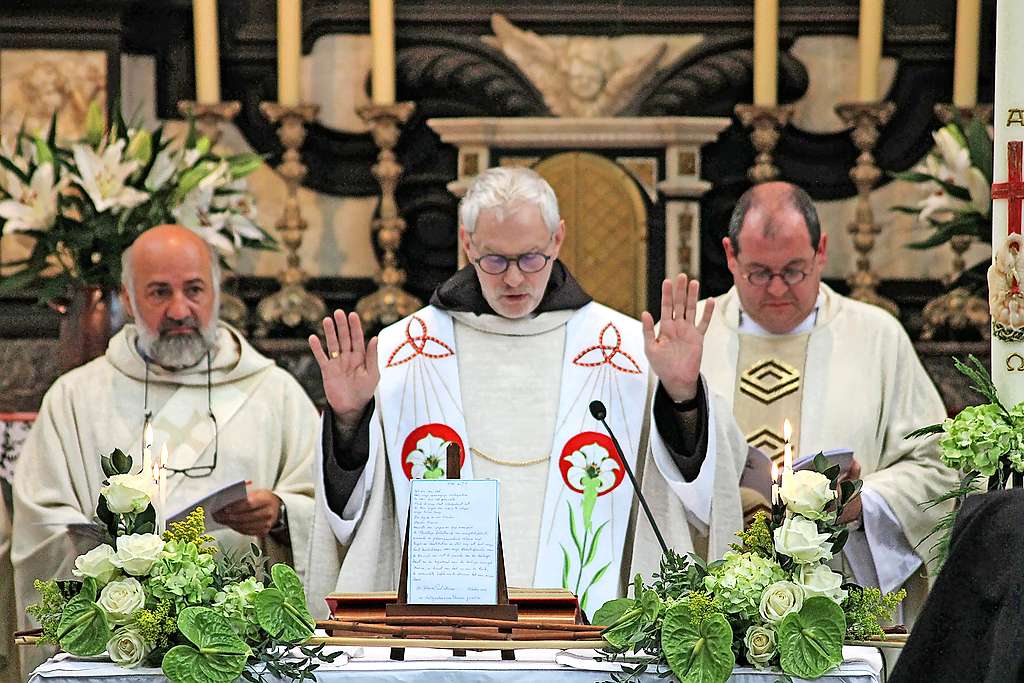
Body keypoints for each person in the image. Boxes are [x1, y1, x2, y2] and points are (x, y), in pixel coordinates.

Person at [303, 167, 749, 617]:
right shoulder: (401, 354)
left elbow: (698, 491)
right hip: (443, 638)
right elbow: (355, 513)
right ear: (467, 243)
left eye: (531, 258)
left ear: (558, 239)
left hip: (591, 639)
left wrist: (681, 393)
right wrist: (348, 419)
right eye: (495, 260)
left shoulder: (629, 350)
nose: (514, 279)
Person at [12, 225, 319, 660]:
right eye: (159, 292)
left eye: (194, 289)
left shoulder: (274, 393)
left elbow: (326, 511)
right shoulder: (76, 397)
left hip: (244, 646)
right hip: (120, 645)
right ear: (129, 298)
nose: (180, 309)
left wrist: (282, 514)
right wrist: (104, 552)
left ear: (217, 290)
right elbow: (39, 528)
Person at [699, 181, 958, 620]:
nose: (778, 289)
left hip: (842, 609)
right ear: (730, 256)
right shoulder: (695, 340)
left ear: (821, 251)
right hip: (711, 606)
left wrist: (862, 501)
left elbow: (936, 466)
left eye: (794, 270)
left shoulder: (877, 337)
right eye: (759, 272)